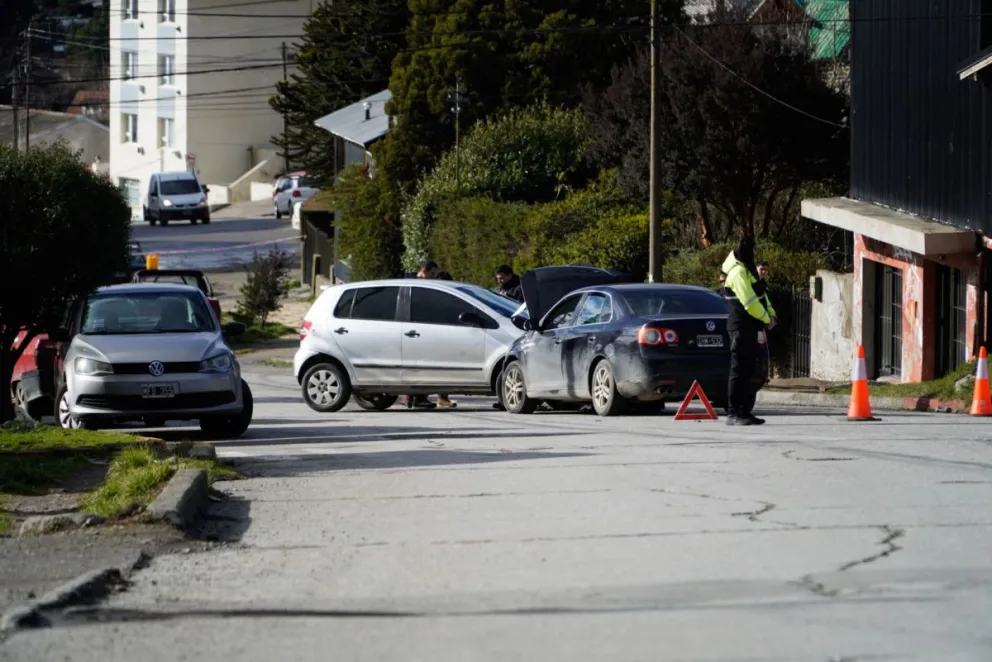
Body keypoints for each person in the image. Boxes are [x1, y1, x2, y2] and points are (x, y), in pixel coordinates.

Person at [720, 236, 776, 426]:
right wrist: (766, 319)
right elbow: (750, 302)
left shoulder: (746, 272)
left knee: (748, 370)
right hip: (740, 327)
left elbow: (761, 296)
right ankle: (734, 413)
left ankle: (744, 411)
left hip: (750, 327)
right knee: (738, 371)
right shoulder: (737, 273)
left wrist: (771, 315)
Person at [409, 260, 456, 409]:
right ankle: (419, 398)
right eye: (432, 273)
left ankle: (420, 398)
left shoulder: (419, 285)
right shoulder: (421, 287)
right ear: (426, 271)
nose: (433, 277)